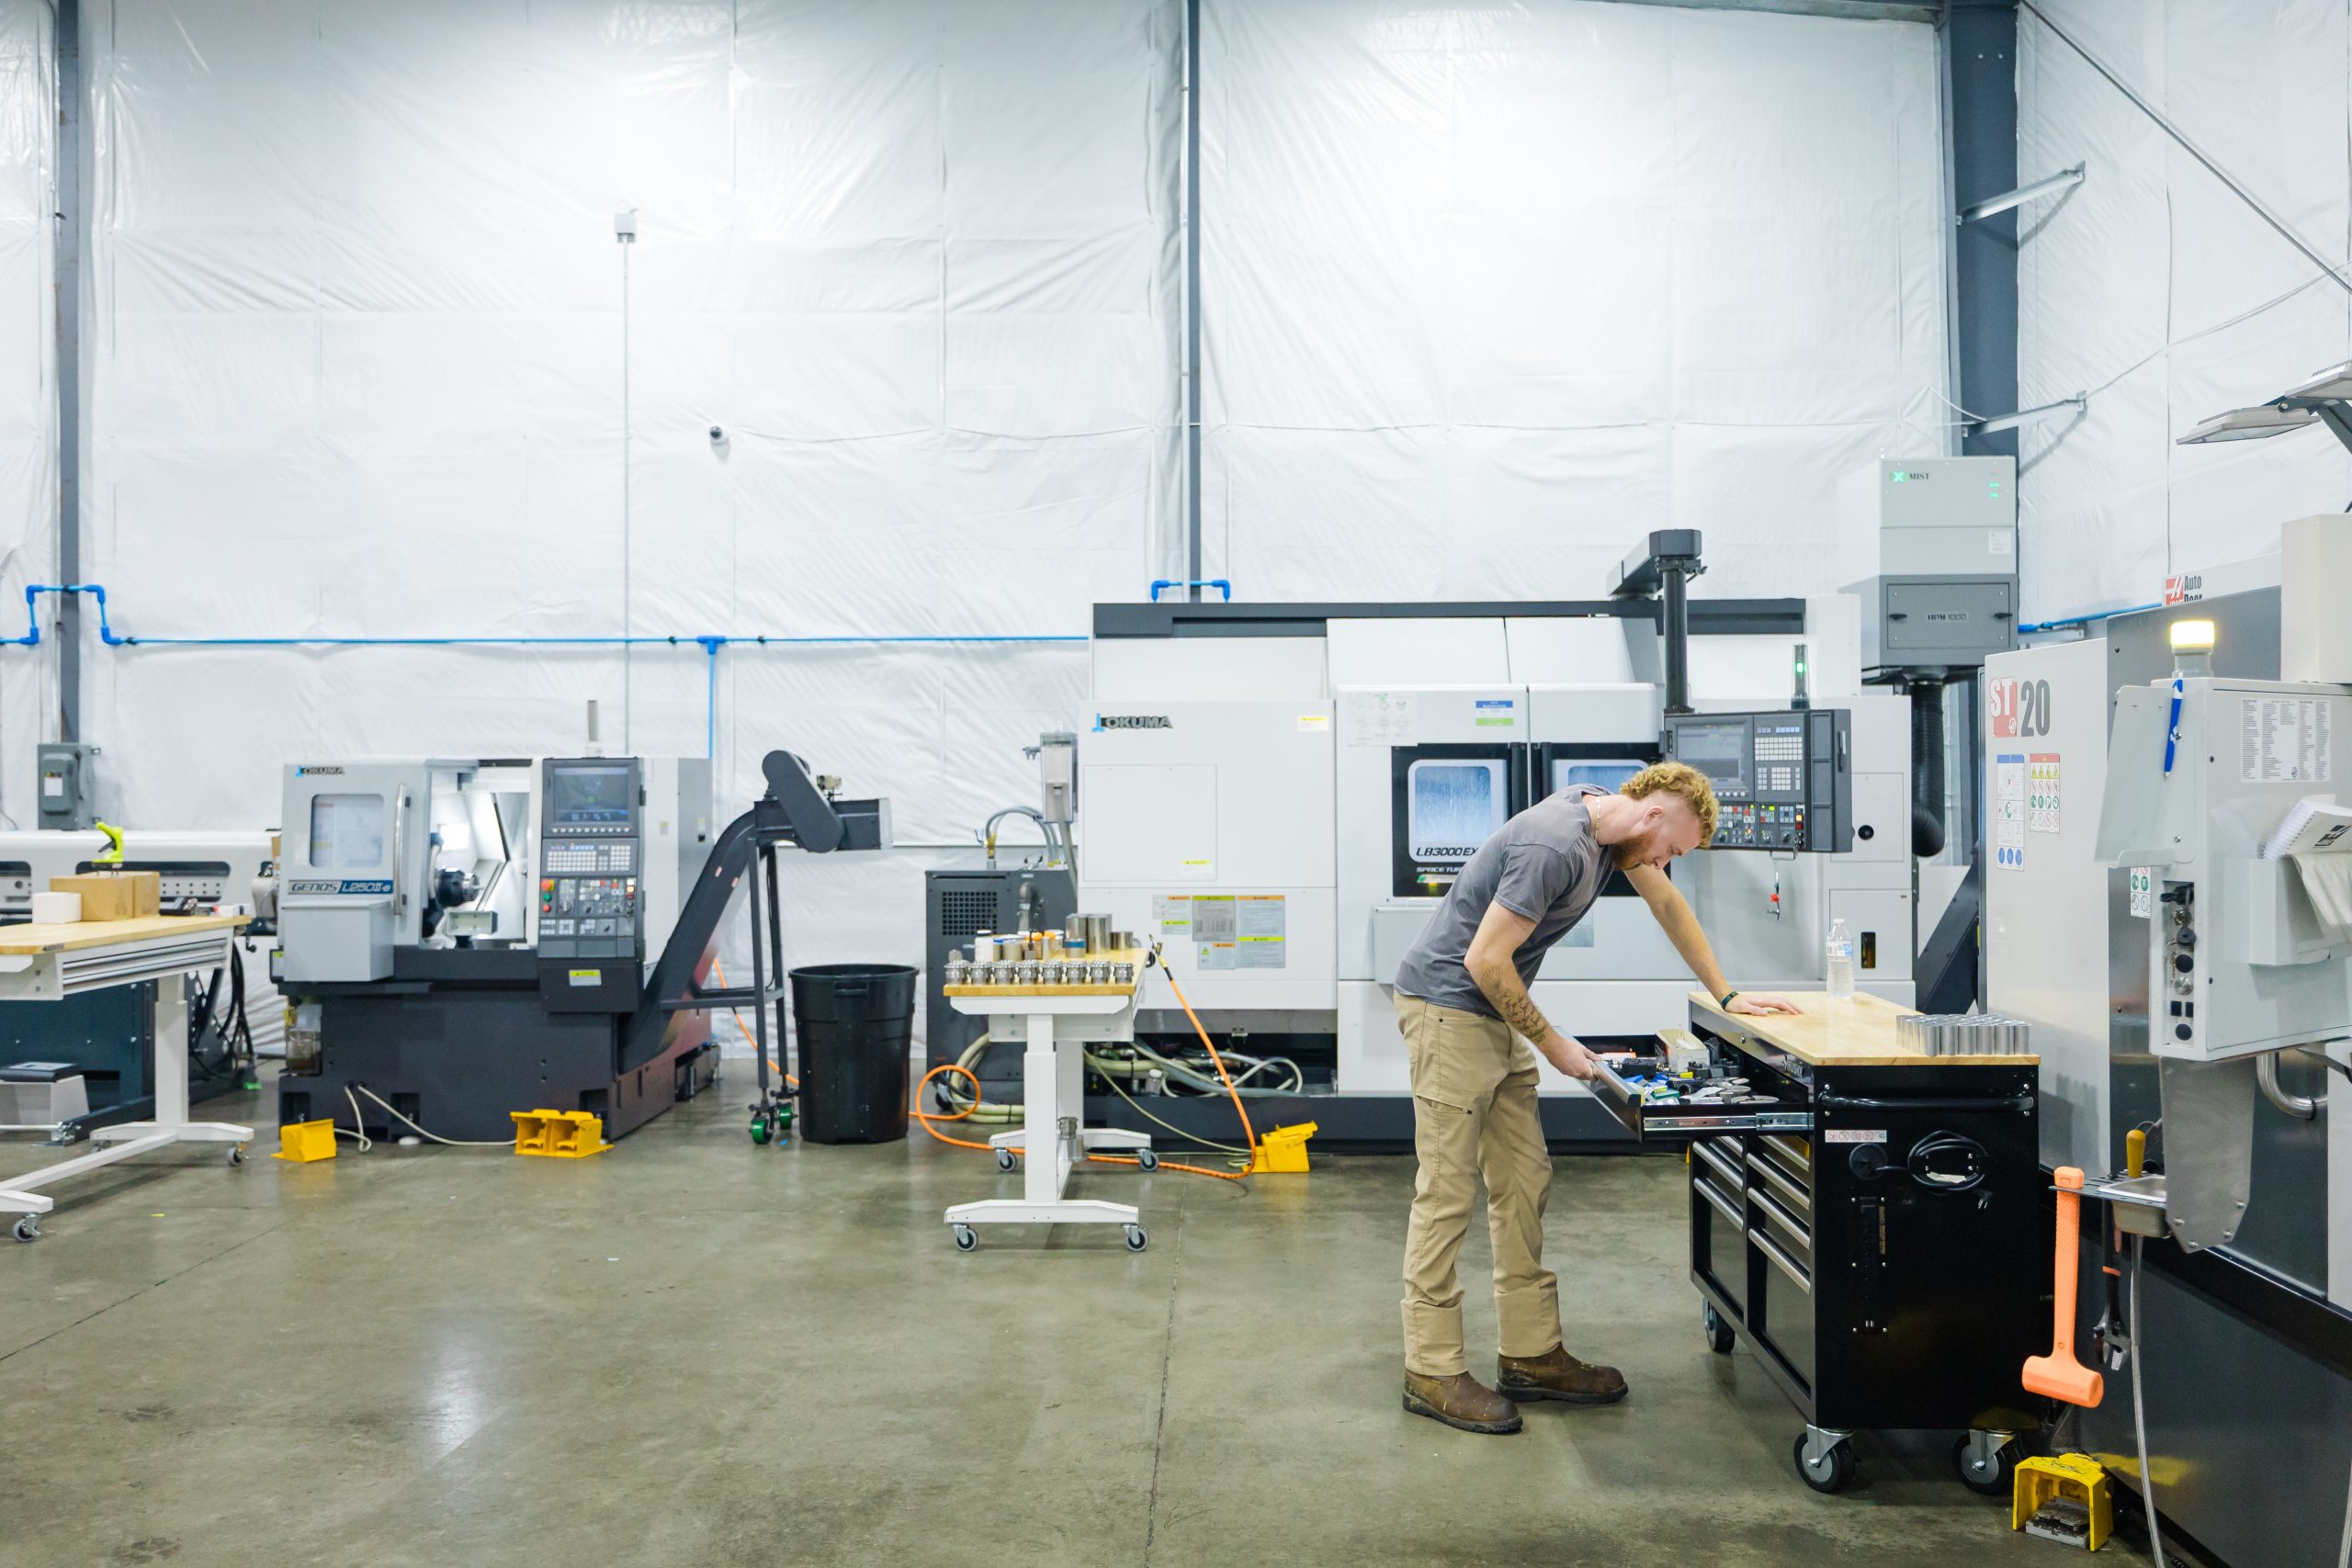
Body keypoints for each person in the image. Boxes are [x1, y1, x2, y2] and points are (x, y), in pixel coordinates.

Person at [1389, 760, 1799, 1434]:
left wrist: (1728, 994)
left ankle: (1529, 1354)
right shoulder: (1556, 844)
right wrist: (1556, 1045)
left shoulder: (1617, 827)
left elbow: (1669, 903)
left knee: (1523, 1180)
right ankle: (1430, 1367)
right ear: (1653, 814)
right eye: (1672, 849)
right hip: (1447, 1008)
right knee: (1447, 1189)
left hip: (1489, 1014)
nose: (1666, 863)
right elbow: (1484, 961)